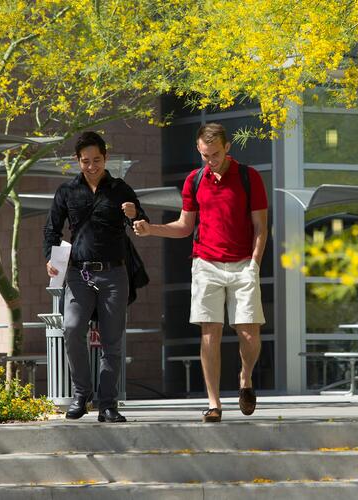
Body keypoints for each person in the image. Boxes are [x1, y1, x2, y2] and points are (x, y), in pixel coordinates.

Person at [133, 123, 268, 423]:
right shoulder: (194, 180)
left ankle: (245, 377)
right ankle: (214, 403)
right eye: (206, 155)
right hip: (205, 263)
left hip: (244, 263)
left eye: (216, 154)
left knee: (249, 333)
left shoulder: (249, 177)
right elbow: (184, 226)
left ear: (228, 147)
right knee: (210, 333)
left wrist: (255, 265)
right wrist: (151, 228)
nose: (211, 160)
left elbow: (261, 227)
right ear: (199, 150)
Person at [44, 131, 147, 423]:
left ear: (106, 158)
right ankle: (81, 395)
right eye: (86, 161)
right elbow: (51, 229)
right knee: (73, 328)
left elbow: (142, 224)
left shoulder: (120, 188)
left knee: (112, 342)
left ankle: (108, 404)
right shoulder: (67, 191)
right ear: (78, 161)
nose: (92, 166)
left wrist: (134, 212)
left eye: (97, 160)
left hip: (115, 274)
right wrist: (50, 259)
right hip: (79, 273)